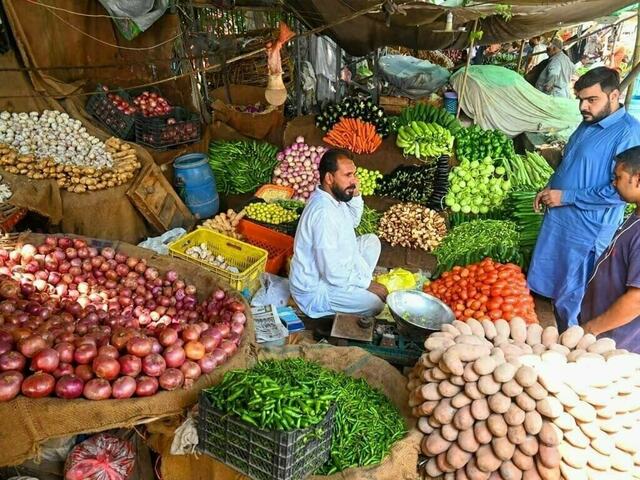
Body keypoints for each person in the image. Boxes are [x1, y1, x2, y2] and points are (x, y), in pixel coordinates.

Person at [528, 67, 640, 332]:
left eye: (591, 100)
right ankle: (554, 331)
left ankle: (572, 343)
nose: (583, 106)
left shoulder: (628, 134)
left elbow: (617, 191)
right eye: (580, 99)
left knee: (574, 292)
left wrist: (566, 196)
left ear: (614, 96)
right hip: (560, 221)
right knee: (555, 286)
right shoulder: (587, 122)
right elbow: (570, 163)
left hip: (586, 230)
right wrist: (549, 187)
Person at [289, 149, 387, 318]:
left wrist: (355, 195)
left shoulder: (333, 197)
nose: (354, 181)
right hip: (317, 290)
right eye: (348, 175)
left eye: (354, 175)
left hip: (333, 269)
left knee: (371, 241)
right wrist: (368, 284)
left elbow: (353, 222)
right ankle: (354, 288)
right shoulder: (323, 214)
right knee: (375, 305)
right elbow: (332, 273)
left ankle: (353, 286)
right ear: (329, 178)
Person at [580, 146, 640, 353]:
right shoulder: (635, 216)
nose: (614, 184)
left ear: (638, 179)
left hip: (619, 344)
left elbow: (637, 299)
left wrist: (590, 329)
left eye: (618, 177)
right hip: (604, 334)